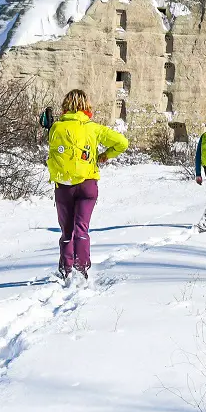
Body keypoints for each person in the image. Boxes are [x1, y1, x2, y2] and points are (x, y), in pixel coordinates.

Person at [46, 89, 129, 280]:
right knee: (81, 228)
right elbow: (122, 142)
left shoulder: (56, 127)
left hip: (63, 185)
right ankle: (81, 268)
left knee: (67, 231)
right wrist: (105, 155)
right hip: (87, 184)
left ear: (66, 105)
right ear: (86, 106)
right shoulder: (92, 127)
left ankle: (66, 269)